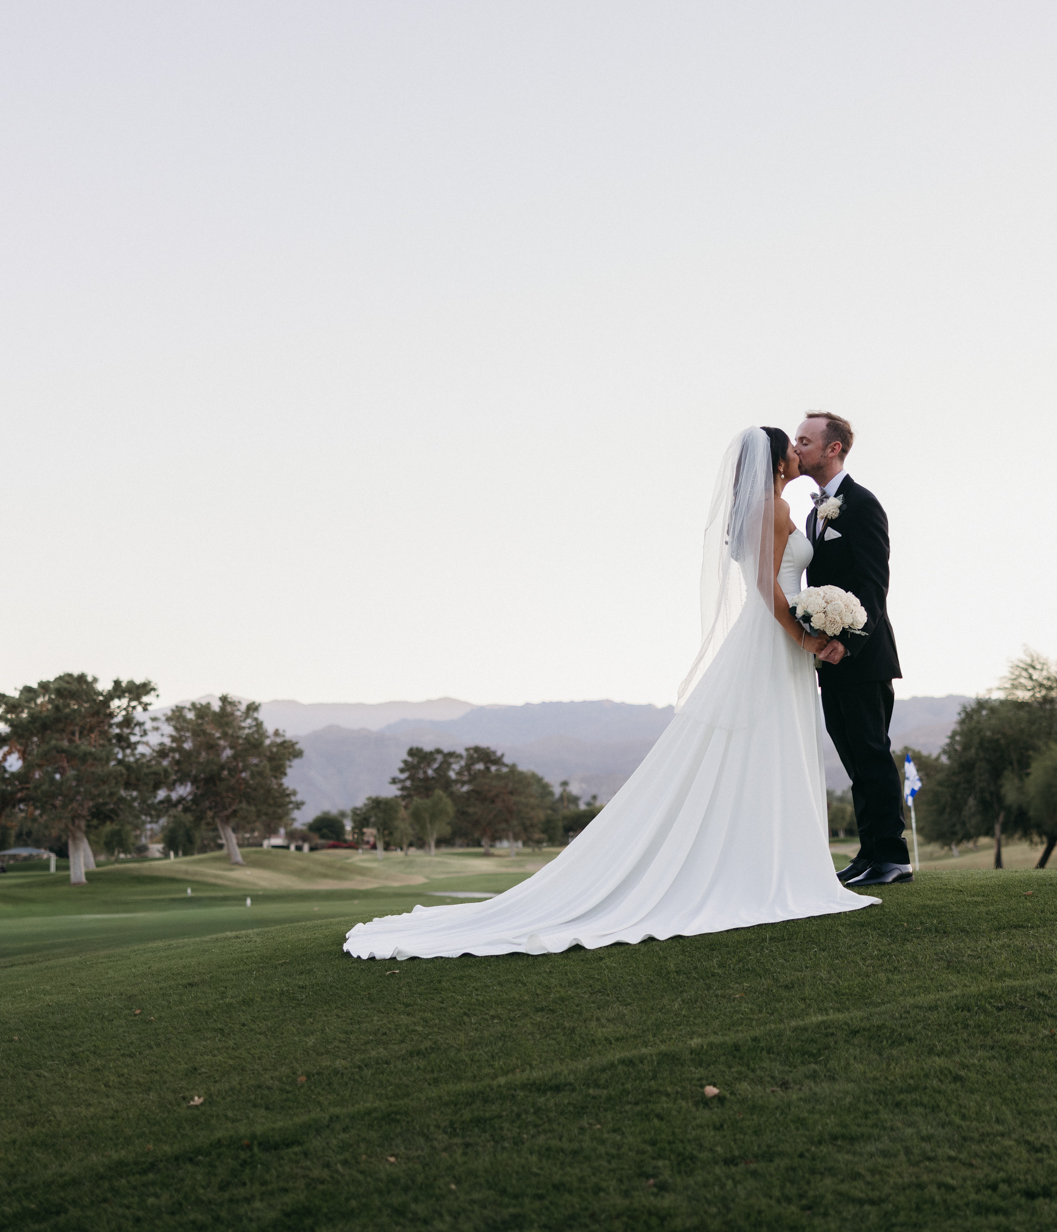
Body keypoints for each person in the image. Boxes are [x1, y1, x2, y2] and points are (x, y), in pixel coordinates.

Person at [343, 425, 877, 960]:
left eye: (804, 443)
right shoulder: (774, 510)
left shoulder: (764, 510)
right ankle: (771, 870)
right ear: (777, 460)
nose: (798, 451)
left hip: (769, 638)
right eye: (792, 445)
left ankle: (771, 863)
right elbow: (767, 587)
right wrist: (803, 635)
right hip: (774, 638)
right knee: (770, 746)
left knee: (766, 749)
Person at [794, 411, 910, 888]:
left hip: (864, 655)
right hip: (830, 657)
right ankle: (869, 854)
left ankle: (893, 858)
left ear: (833, 448)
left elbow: (874, 584)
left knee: (872, 753)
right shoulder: (813, 513)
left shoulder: (862, 504)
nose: (796, 448)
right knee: (853, 759)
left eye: (805, 441)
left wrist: (849, 642)